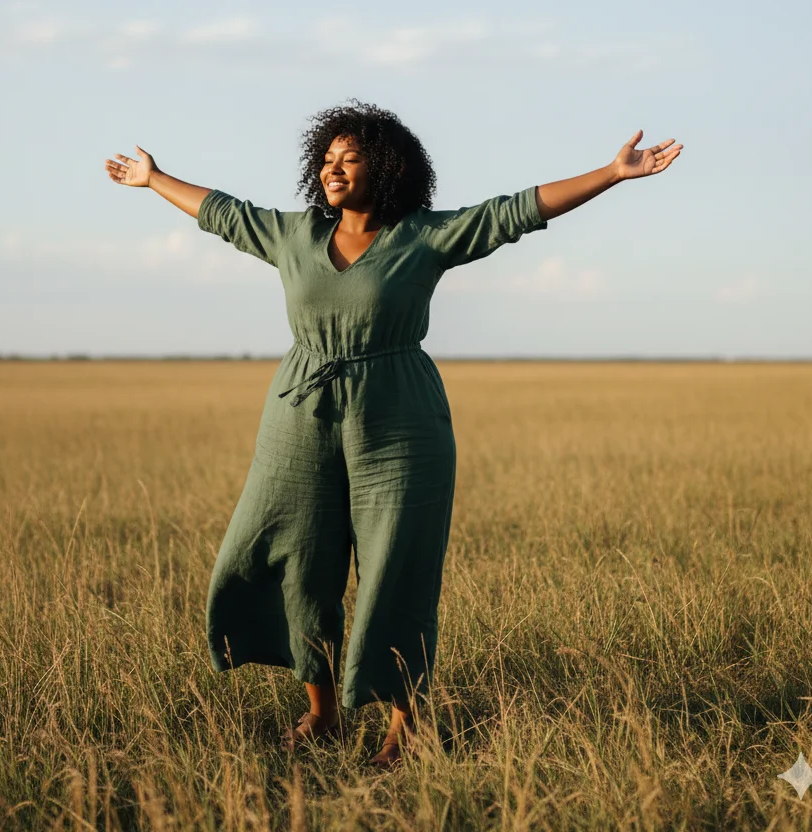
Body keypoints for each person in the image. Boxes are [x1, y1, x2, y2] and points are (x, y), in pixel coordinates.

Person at [104, 100, 681, 767]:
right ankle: (321, 713)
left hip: (399, 413)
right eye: (327, 159)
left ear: (388, 167)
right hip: (301, 411)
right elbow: (223, 213)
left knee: (396, 568)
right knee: (297, 558)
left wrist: (611, 173)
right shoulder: (293, 236)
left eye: (351, 159)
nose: (334, 170)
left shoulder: (424, 237)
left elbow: (515, 211)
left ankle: (404, 728)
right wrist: (154, 178)